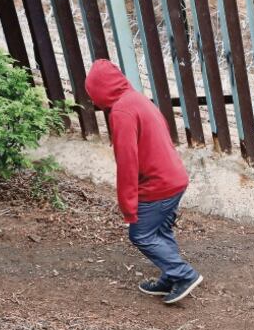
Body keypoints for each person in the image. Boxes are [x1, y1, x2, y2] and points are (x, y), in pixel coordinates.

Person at [84, 59, 202, 305]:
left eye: (92, 94)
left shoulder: (122, 112)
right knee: (161, 231)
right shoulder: (137, 99)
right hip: (175, 178)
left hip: (158, 184)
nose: (93, 101)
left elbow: (127, 162)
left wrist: (128, 206)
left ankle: (184, 275)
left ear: (100, 90)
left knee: (141, 235)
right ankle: (171, 277)